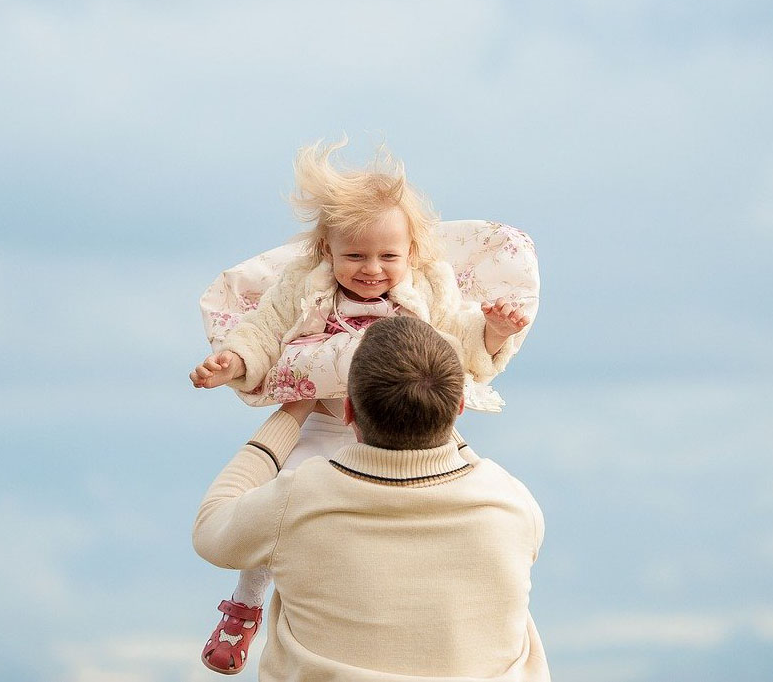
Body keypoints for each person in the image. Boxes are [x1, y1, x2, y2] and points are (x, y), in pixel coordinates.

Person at [189, 138, 532, 673]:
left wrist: (493, 329)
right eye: (354, 255)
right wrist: (233, 362)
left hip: (404, 426)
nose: (371, 269)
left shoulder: (427, 290)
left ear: (412, 252)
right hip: (324, 423)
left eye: (388, 256)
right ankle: (246, 605)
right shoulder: (302, 290)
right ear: (326, 251)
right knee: (277, 506)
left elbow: (459, 345)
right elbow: (264, 335)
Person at [193, 316, 549, 681]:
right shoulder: (513, 505)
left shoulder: (299, 500)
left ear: (347, 411)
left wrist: (293, 409)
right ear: (458, 407)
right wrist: (431, 404)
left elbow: (211, 529)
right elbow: (463, 462)